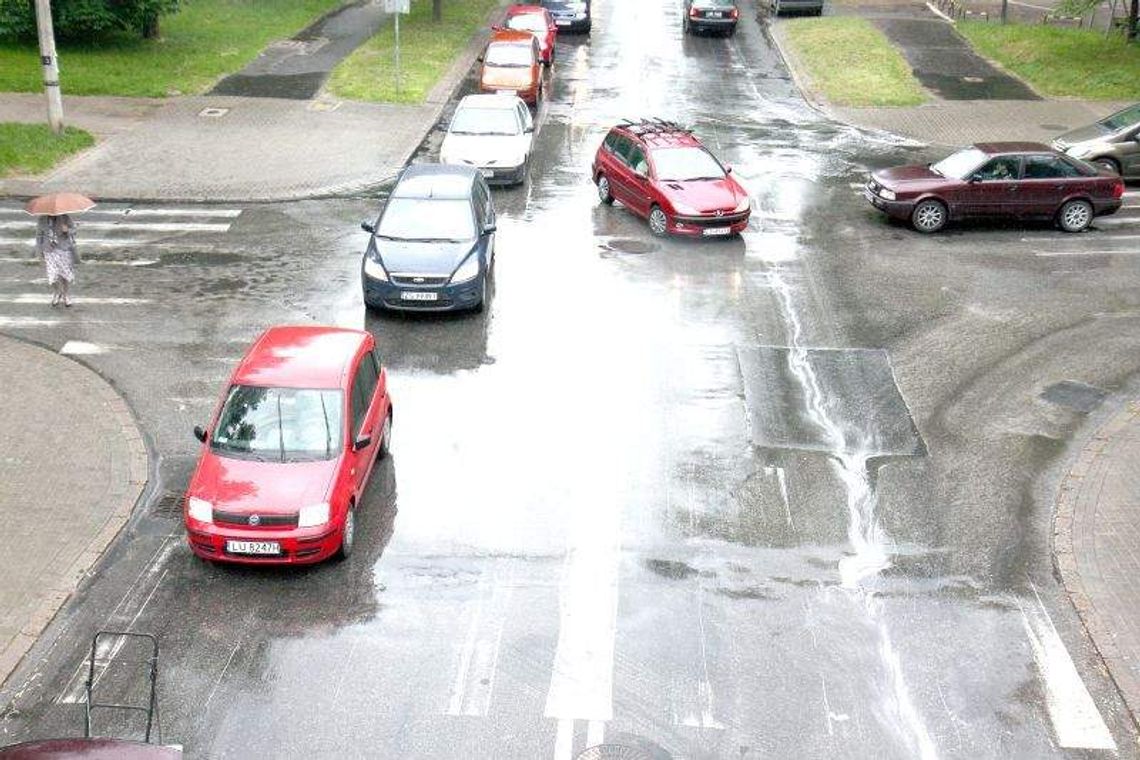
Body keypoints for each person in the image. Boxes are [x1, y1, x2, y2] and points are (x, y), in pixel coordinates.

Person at [35, 214, 79, 307]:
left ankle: (66, 294)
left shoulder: (65, 217)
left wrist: (67, 230)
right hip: (49, 250)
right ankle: (57, 292)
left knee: (65, 274)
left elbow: (74, 230)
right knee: (52, 274)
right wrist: (39, 251)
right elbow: (39, 236)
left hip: (63, 248)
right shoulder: (42, 219)